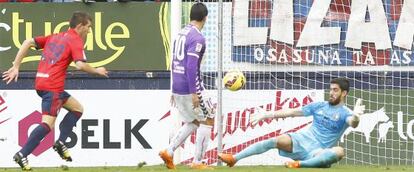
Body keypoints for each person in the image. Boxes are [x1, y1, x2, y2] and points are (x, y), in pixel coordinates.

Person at [2, 11, 108, 171]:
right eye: (89, 27)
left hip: (42, 83)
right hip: (53, 87)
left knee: (77, 108)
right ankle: (22, 154)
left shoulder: (56, 36)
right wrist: (97, 71)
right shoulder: (75, 40)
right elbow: (80, 64)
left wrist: (16, 66)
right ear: (80, 26)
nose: (89, 31)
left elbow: (27, 42)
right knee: (47, 125)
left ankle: (61, 142)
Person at [218, 78, 365, 168]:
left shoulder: (346, 113)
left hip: (317, 151)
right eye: (330, 89)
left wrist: (356, 116)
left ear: (344, 93)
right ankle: (234, 159)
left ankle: (301, 165)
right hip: (300, 142)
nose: (331, 93)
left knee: (339, 151)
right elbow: (292, 112)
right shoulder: (319, 106)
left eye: (335, 90)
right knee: (275, 140)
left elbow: (352, 123)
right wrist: (266, 115)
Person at [159, 2, 214, 170]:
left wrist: (174, 89)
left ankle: (169, 151)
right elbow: (190, 66)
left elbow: (175, 61)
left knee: (194, 121)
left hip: (178, 86)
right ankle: (198, 162)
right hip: (191, 88)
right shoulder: (197, 37)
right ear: (205, 18)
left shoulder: (181, 33)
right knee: (208, 120)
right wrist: (194, 93)